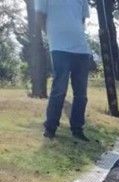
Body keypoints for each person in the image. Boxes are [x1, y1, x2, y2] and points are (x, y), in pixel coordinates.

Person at [35, 0, 93, 141]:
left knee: (81, 93)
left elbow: (82, 19)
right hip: (59, 46)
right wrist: (52, 35)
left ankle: (77, 129)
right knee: (59, 89)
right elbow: (39, 16)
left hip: (81, 48)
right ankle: (50, 128)